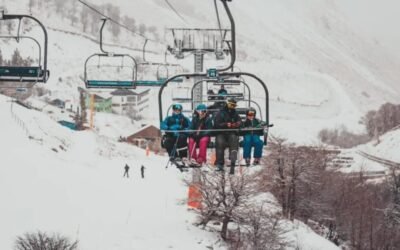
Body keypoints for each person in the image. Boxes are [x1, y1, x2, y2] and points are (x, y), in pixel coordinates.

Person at [214, 98, 242, 173]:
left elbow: (240, 121)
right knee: (220, 143)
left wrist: (237, 124)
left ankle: (233, 158)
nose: (232, 107)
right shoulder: (220, 112)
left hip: (231, 132)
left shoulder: (235, 113)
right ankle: (219, 163)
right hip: (221, 132)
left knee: (234, 139)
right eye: (231, 105)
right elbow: (216, 124)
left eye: (234, 105)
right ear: (227, 104)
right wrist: (226, 124)